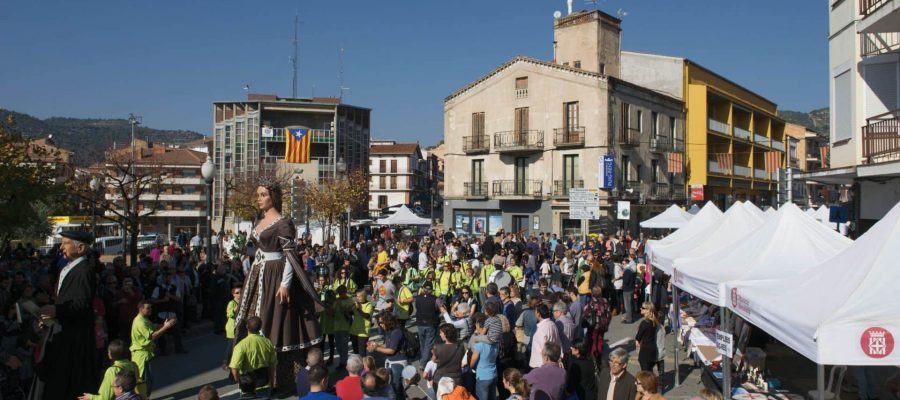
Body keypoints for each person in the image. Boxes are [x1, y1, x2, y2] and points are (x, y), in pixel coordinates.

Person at [233, 180, 323, 392]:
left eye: (263, 194)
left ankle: (281, 379)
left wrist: (284, 284)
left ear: (273, 197)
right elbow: (256, 248)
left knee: (276, 323)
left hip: (275, 274)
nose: (259, 198)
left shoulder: (283, 223)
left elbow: (290, 256)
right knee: (251, 319)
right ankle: (252, 374)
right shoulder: (259, 220)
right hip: (258, 274)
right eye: (258, 194)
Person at [35, 230, 100, 400]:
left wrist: (57, 311)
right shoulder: (68, 267)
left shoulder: (84, 271)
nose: (61, 247)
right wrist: (51, 316)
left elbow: (82, 304)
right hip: (61, 330)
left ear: (80, 248)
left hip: (74, 339)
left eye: (65, 243)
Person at [130, 300, 177, 397]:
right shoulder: (140, 322)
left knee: (147, 380)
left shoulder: (144, 319)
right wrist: (166, 327)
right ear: (140, 309)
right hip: (141, 356)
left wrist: (163, 324)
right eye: (148, 308)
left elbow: (153, 327)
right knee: (144, 381)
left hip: (145, 354)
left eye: (150, 307)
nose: (150, 309)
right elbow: (153, 336)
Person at [230, 316, 277, 398]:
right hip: (264, 383)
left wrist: (239, 381)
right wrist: (272, 383)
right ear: (260, 327)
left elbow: (234, 367)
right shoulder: (268, 343)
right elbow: (272, 366)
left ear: (247, 327)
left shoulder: (241, 345)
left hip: (247, 386)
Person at [367, 313, 407, 400]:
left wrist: (376, 348)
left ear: (387, 321)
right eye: (378, 323)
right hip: (391, 361)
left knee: (395, 384)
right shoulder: (389, 331)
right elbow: (387, 346)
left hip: (397, 362)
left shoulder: (396, 332)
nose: (380, 325)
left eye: (381, 322)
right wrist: (377, 345)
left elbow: (391, 350)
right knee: (391, 384)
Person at [470, 313, 499, 400]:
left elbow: (473, 360)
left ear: (481, 327)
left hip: (482, 376)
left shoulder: (480, 344)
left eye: (477, 326)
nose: (476, 328)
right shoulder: (495, 342)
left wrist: (471, 366)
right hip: (493, 373)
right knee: (492, 396)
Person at [433, 323, 465, 392]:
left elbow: (433, 361)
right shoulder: (460, 347)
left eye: (441, 332)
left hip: (440, 380)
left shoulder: (437, 348)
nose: (440, 334)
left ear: (446, 334)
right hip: (456, 380)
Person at [415, 282, 441, 365]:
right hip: (430, 323)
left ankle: (423, 358)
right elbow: (440, 308)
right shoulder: (435, 299)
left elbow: (417, 307)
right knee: (428, 344)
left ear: (423, 289)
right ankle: (423, 362)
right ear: (432, 290)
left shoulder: (418, 298)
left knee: (422, 343)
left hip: (420, 323)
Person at [529, 304, 560, 368]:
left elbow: (543, 348)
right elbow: (558, 342)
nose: (534, 314)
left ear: (538, 314)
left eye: (535, 312)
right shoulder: (552, 324)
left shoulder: (542, 328)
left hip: (541, 364)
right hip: (550, 361)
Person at [634, 302, 659, 372]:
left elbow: (638, 337)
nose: (640, 309)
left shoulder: (644, 323)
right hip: (653, 349)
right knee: (649, 372)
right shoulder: (654, 321)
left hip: (645, 351)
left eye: (643, 308)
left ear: (648, 310)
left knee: (645, 374)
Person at [350, 288, 373, 357]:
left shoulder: (369, 305)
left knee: (362, 353)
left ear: (364, 296)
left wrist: (358, 309)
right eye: (357, 296)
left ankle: (364, 367)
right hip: (354, 331)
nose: (357, 298)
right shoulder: (356, 304)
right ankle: (357, 367)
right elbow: (349, 313)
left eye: (359, 296)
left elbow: (366, 316)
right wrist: (349, 308)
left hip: (363, 332)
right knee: (356, 353)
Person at [224, 284, 241, 372]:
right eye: (237, 293)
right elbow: (229, 314)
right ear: (233, 294)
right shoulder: (232, 303)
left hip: (239, 327)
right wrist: (234, 309)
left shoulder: (242, 302)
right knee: (230, 346)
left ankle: (235, 362)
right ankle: (225, 362)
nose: (239, 294)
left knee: (237, 346)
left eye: (240, 292)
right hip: (232, 327)